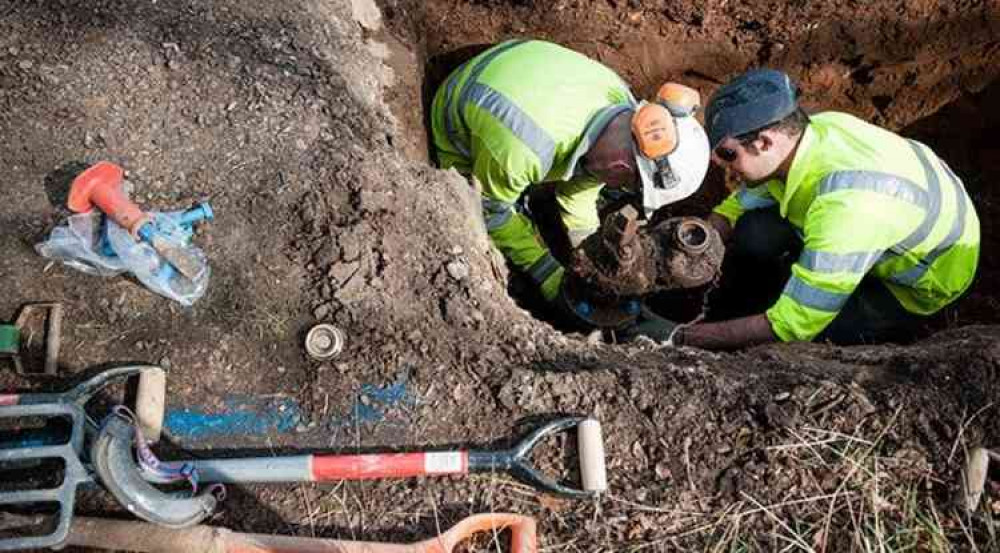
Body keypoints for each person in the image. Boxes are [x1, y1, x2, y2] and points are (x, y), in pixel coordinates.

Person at [658, 68, 980, 349]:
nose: (720, 164)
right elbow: (741, 202)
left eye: (728, 154)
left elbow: (790, 326)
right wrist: (699, 240)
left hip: (920, 279)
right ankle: (801, 277)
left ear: (765, 142)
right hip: (884, 220)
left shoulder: (847, 210)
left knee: (826, 336)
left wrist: (682, 337)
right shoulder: (814, 131)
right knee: (754, 233)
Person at [429, 39, 710, 322]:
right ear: (622, 166)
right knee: (486, 228)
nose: (622, 190)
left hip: (516, 72)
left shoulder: (622, 107)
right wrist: (547, 272)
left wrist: (590, 250)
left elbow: (583, 184)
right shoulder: (526, 148)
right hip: (461, 118)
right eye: (631, 185)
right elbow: (489, 209)